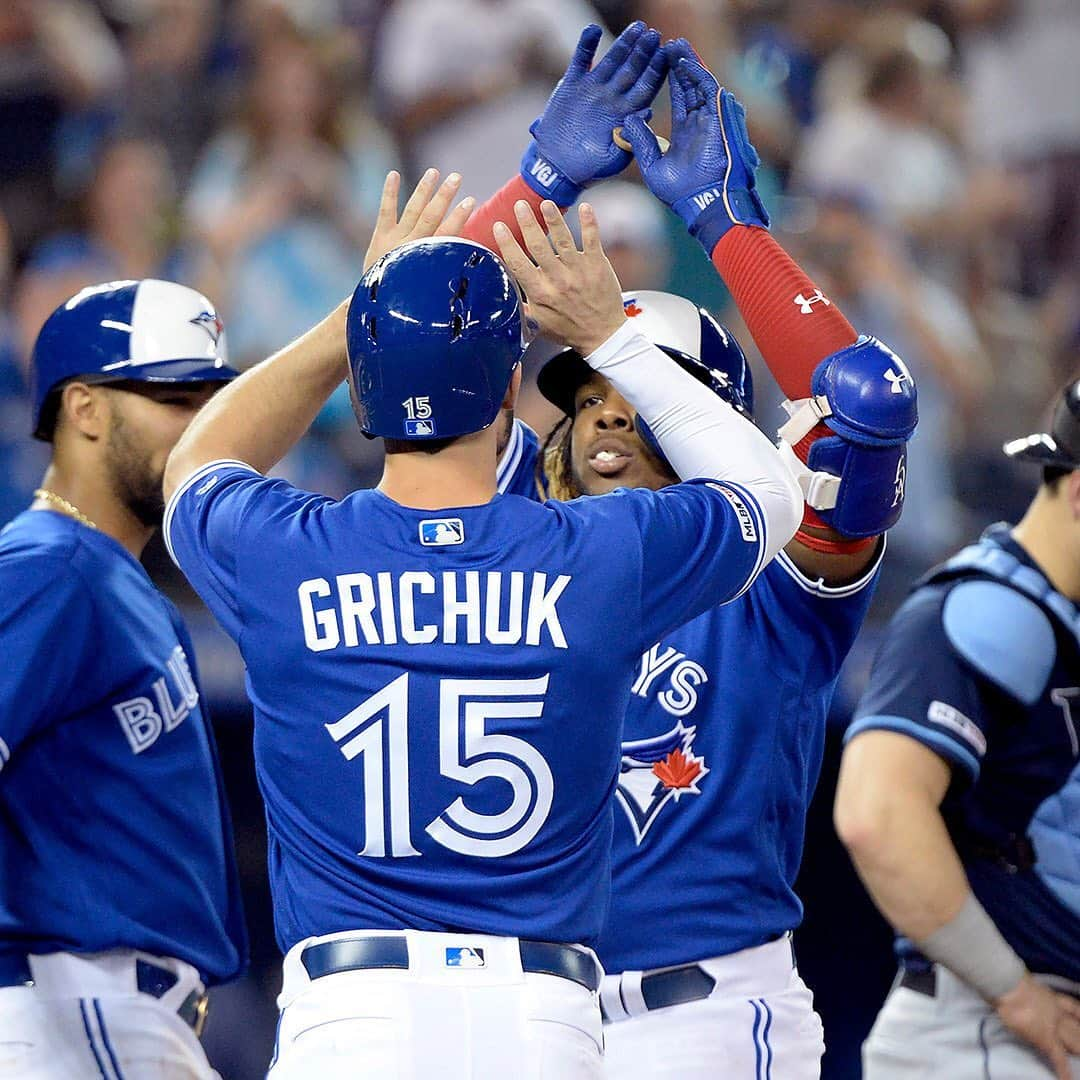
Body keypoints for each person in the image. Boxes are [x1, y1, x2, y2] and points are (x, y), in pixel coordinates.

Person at [160, 147, 801, 1079]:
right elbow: (769, 494)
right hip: (539, 1014)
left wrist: (362, 314)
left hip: (351, 1014)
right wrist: (613, 339)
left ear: (363, 388)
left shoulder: (281, 552)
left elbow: (195, 461)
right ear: (510, 390)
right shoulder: (596, 553)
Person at [489, 38, 917, 1078]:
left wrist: (730, 227)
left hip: (704, 1019)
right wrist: (536, 186)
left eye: (637, 405)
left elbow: (866, 410)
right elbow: (400, 336)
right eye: (587, 400)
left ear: (702, 423)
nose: (602, 425)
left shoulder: (769, 578)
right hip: (519, 1018)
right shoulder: (517, 542)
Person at [0, 279, 247, 1078]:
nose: (201, 426)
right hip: (76, 1001)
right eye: (175, 398)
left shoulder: (117, 579)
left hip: (121, 1010)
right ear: (85, 410)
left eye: (211, 400)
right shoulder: (50, 567)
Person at [835, 379, 1080, 1080]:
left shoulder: (1064, 618)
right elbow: (876, 815)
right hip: (986, 1032)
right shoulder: (986, 610)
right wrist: (1011, 989)